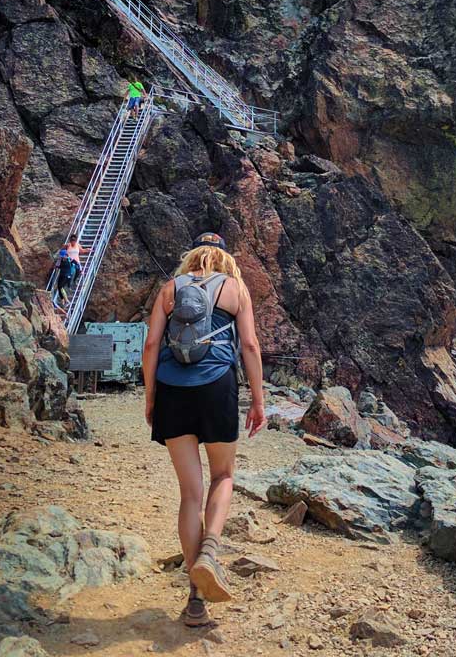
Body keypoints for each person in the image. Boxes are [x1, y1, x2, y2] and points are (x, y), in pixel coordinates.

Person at [142, 233, 265, 627]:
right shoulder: (236, 289)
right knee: (224, 474)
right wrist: (259, 401)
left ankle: (195, 599)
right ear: (224, 258)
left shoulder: (169, 289)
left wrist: (150, 397)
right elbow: (249, 345)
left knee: (190, 494)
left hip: (172, 391)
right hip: (216, 386)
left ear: (192, 257)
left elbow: (150, 345)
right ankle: (210, 550)